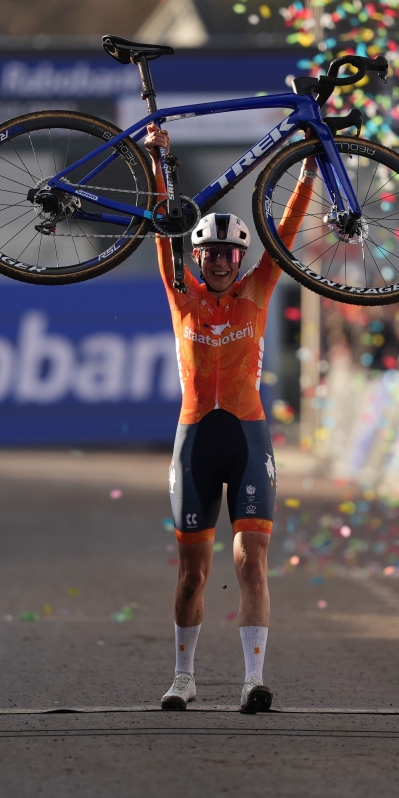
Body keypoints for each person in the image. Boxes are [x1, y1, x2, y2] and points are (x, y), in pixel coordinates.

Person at [142, 122, 312, 715]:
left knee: (250, 559)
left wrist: (309, 170)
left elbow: (286, 232)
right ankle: (183, 677)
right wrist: (161, 162)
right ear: (198, 257)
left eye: (228, 254)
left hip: (246, 435)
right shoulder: (180, 295)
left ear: (239, 258)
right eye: (209, 253)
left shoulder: (258, 290)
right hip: (195, 439)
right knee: (193, 571)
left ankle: (253, 681)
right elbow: (163, 231)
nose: (218, 261)